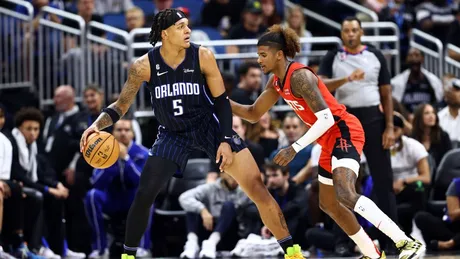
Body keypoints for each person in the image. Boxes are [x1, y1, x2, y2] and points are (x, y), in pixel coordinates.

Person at [80, 8, 304, 259]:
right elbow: (120, 106)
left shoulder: (203, 55)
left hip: (208, 125)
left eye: (188, 25)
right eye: (181, 27)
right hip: (172, 134)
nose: (188, 31)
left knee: (257, 188)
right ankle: (128, 255)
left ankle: (292, 252)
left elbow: (221, 101)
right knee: (144, 193)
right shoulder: (143, 65)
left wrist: (226, 140)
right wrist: (96, 126)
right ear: (165, 34)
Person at [230, 24, 425, 259]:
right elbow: (252, 113)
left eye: (263, 55)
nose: (259, 60)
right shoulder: (276, 82)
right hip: (327, 139)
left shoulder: (300, 76)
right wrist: (219, 101)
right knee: (328, 204)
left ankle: (406, 242)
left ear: (279, 54)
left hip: (344, 131)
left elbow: (326, 118)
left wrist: (295, 147)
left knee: (345, 193)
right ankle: (372, 254)